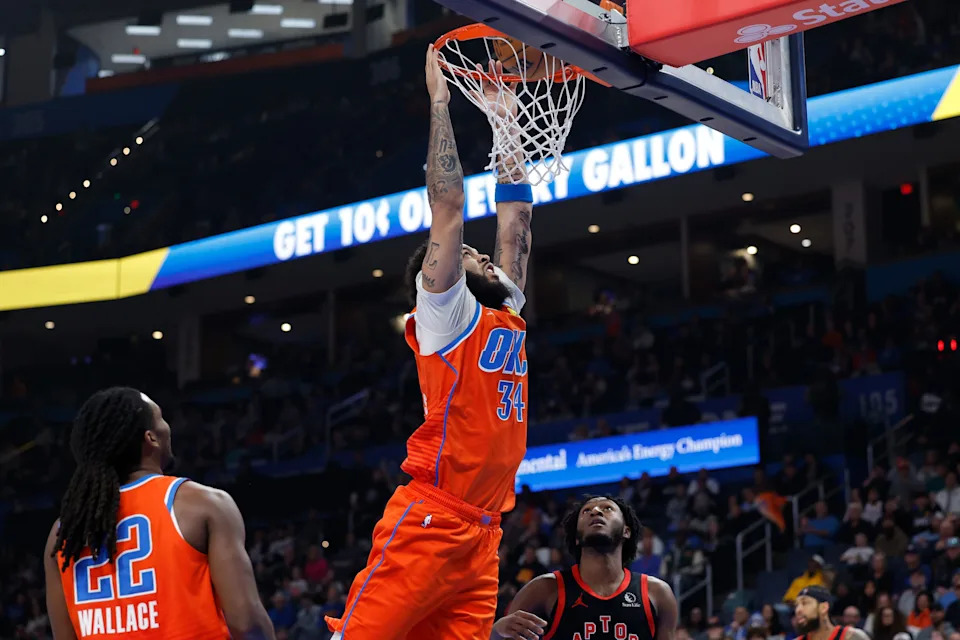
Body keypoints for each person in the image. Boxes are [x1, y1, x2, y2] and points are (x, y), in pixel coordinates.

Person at [325, 47, 535, 640]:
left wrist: (505, 122)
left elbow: (516, 219)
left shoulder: (505, 309)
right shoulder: (445, 311)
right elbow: (448, 205)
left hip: (484, 530)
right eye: (467, 253)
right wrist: (441, 103)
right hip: (433, 515)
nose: (482, 254)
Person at [43, 387, 275, 640]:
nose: (168, 425)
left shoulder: (62, 532)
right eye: (161, 417)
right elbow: (247, 624)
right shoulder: (203, 504)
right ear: (151, 438)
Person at [491, 496, 678, 640]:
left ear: (626, 531)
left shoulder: (657, 593)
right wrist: (496, 632)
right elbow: (503, 635)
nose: (595, 511)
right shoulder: (543, 589)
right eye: (586, 511)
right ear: (577, 538)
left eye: (607, 508)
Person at [794, 586, 871, 640]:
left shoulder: (853, 637)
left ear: (824, 608)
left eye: (805, 603)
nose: (798, 610)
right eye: (796, 605)